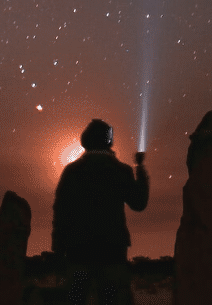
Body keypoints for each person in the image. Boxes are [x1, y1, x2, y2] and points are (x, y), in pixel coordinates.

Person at [52, 119, 149, 305]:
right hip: (112, 249)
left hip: (78, 249)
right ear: (109, 141)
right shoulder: (121, 170)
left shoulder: (72, 171)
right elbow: (139, 203)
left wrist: (58, 248)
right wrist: (140, 170)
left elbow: (61, 212)